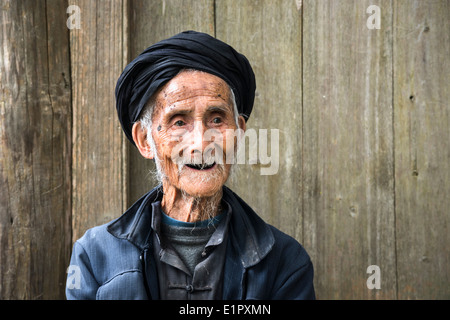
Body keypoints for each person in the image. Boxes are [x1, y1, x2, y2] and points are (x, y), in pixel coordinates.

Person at [66, 31, 315, 300]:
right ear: (145, 140)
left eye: (217, 119)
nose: (201, 142)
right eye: (179, 122)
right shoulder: (94, 256)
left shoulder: (284, 263)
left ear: (239, 133)